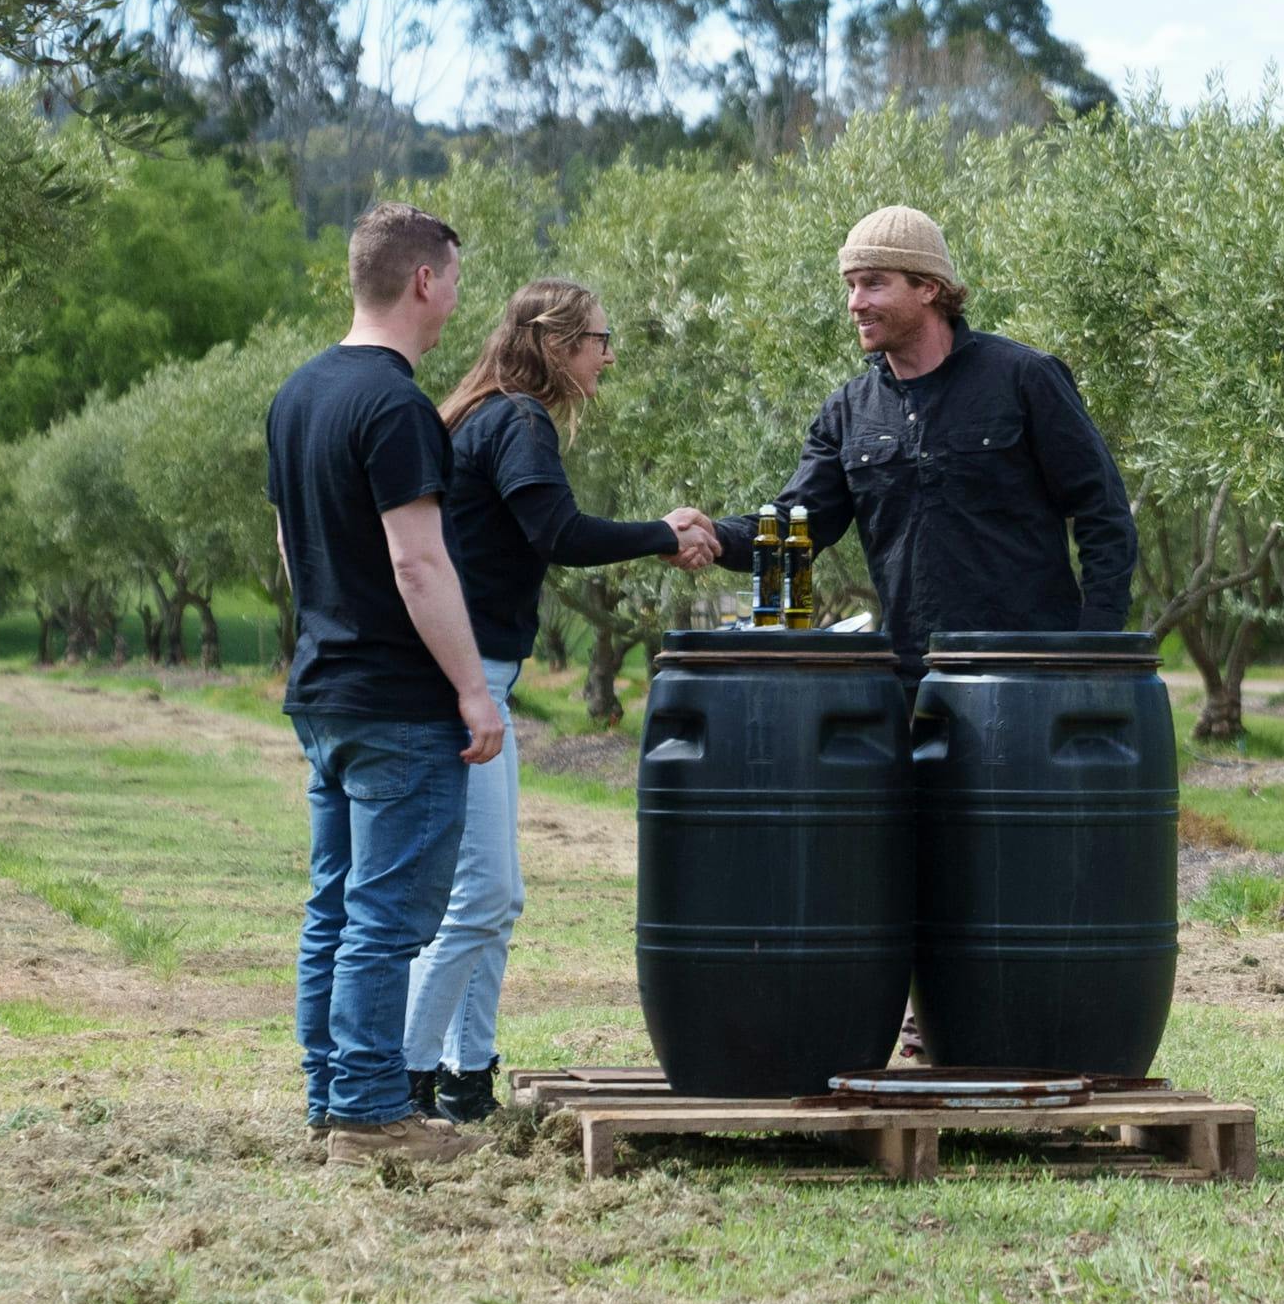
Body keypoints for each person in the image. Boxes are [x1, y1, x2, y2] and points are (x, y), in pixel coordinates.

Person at [404, 280, 717, 1122]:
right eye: (600, 341)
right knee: (483, 896)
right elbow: (559, 533)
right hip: (470, 684)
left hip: (472, 678)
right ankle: (401, 1083)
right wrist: (663, 534)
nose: (608, 356)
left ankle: (467, 1076)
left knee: (488, 896)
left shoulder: (481, 415)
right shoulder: (519, 421)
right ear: (555, 342)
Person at [265, 202, 507, 1169]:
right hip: (397, 706)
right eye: (452, 278)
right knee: (384, 915)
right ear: (421, 280)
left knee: (334, 905)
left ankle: (330, 1095)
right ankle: (370, 1114)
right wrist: (472, 692)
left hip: (323, 691)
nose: (456, 298)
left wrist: (329, 626)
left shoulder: (298, 394)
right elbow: (420, 565)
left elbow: (292, 547)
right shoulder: (397, 406)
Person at [716, 205, 1138, 665]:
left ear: (929, 288)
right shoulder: (846, 412)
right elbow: (794, 526)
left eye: (874, 283)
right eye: (851, 285)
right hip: (911, 681)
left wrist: (1095, 645)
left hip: (1029, 676)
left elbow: (1104, 511)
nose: (856, 303)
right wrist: (711, 537)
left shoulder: (1025, 379)